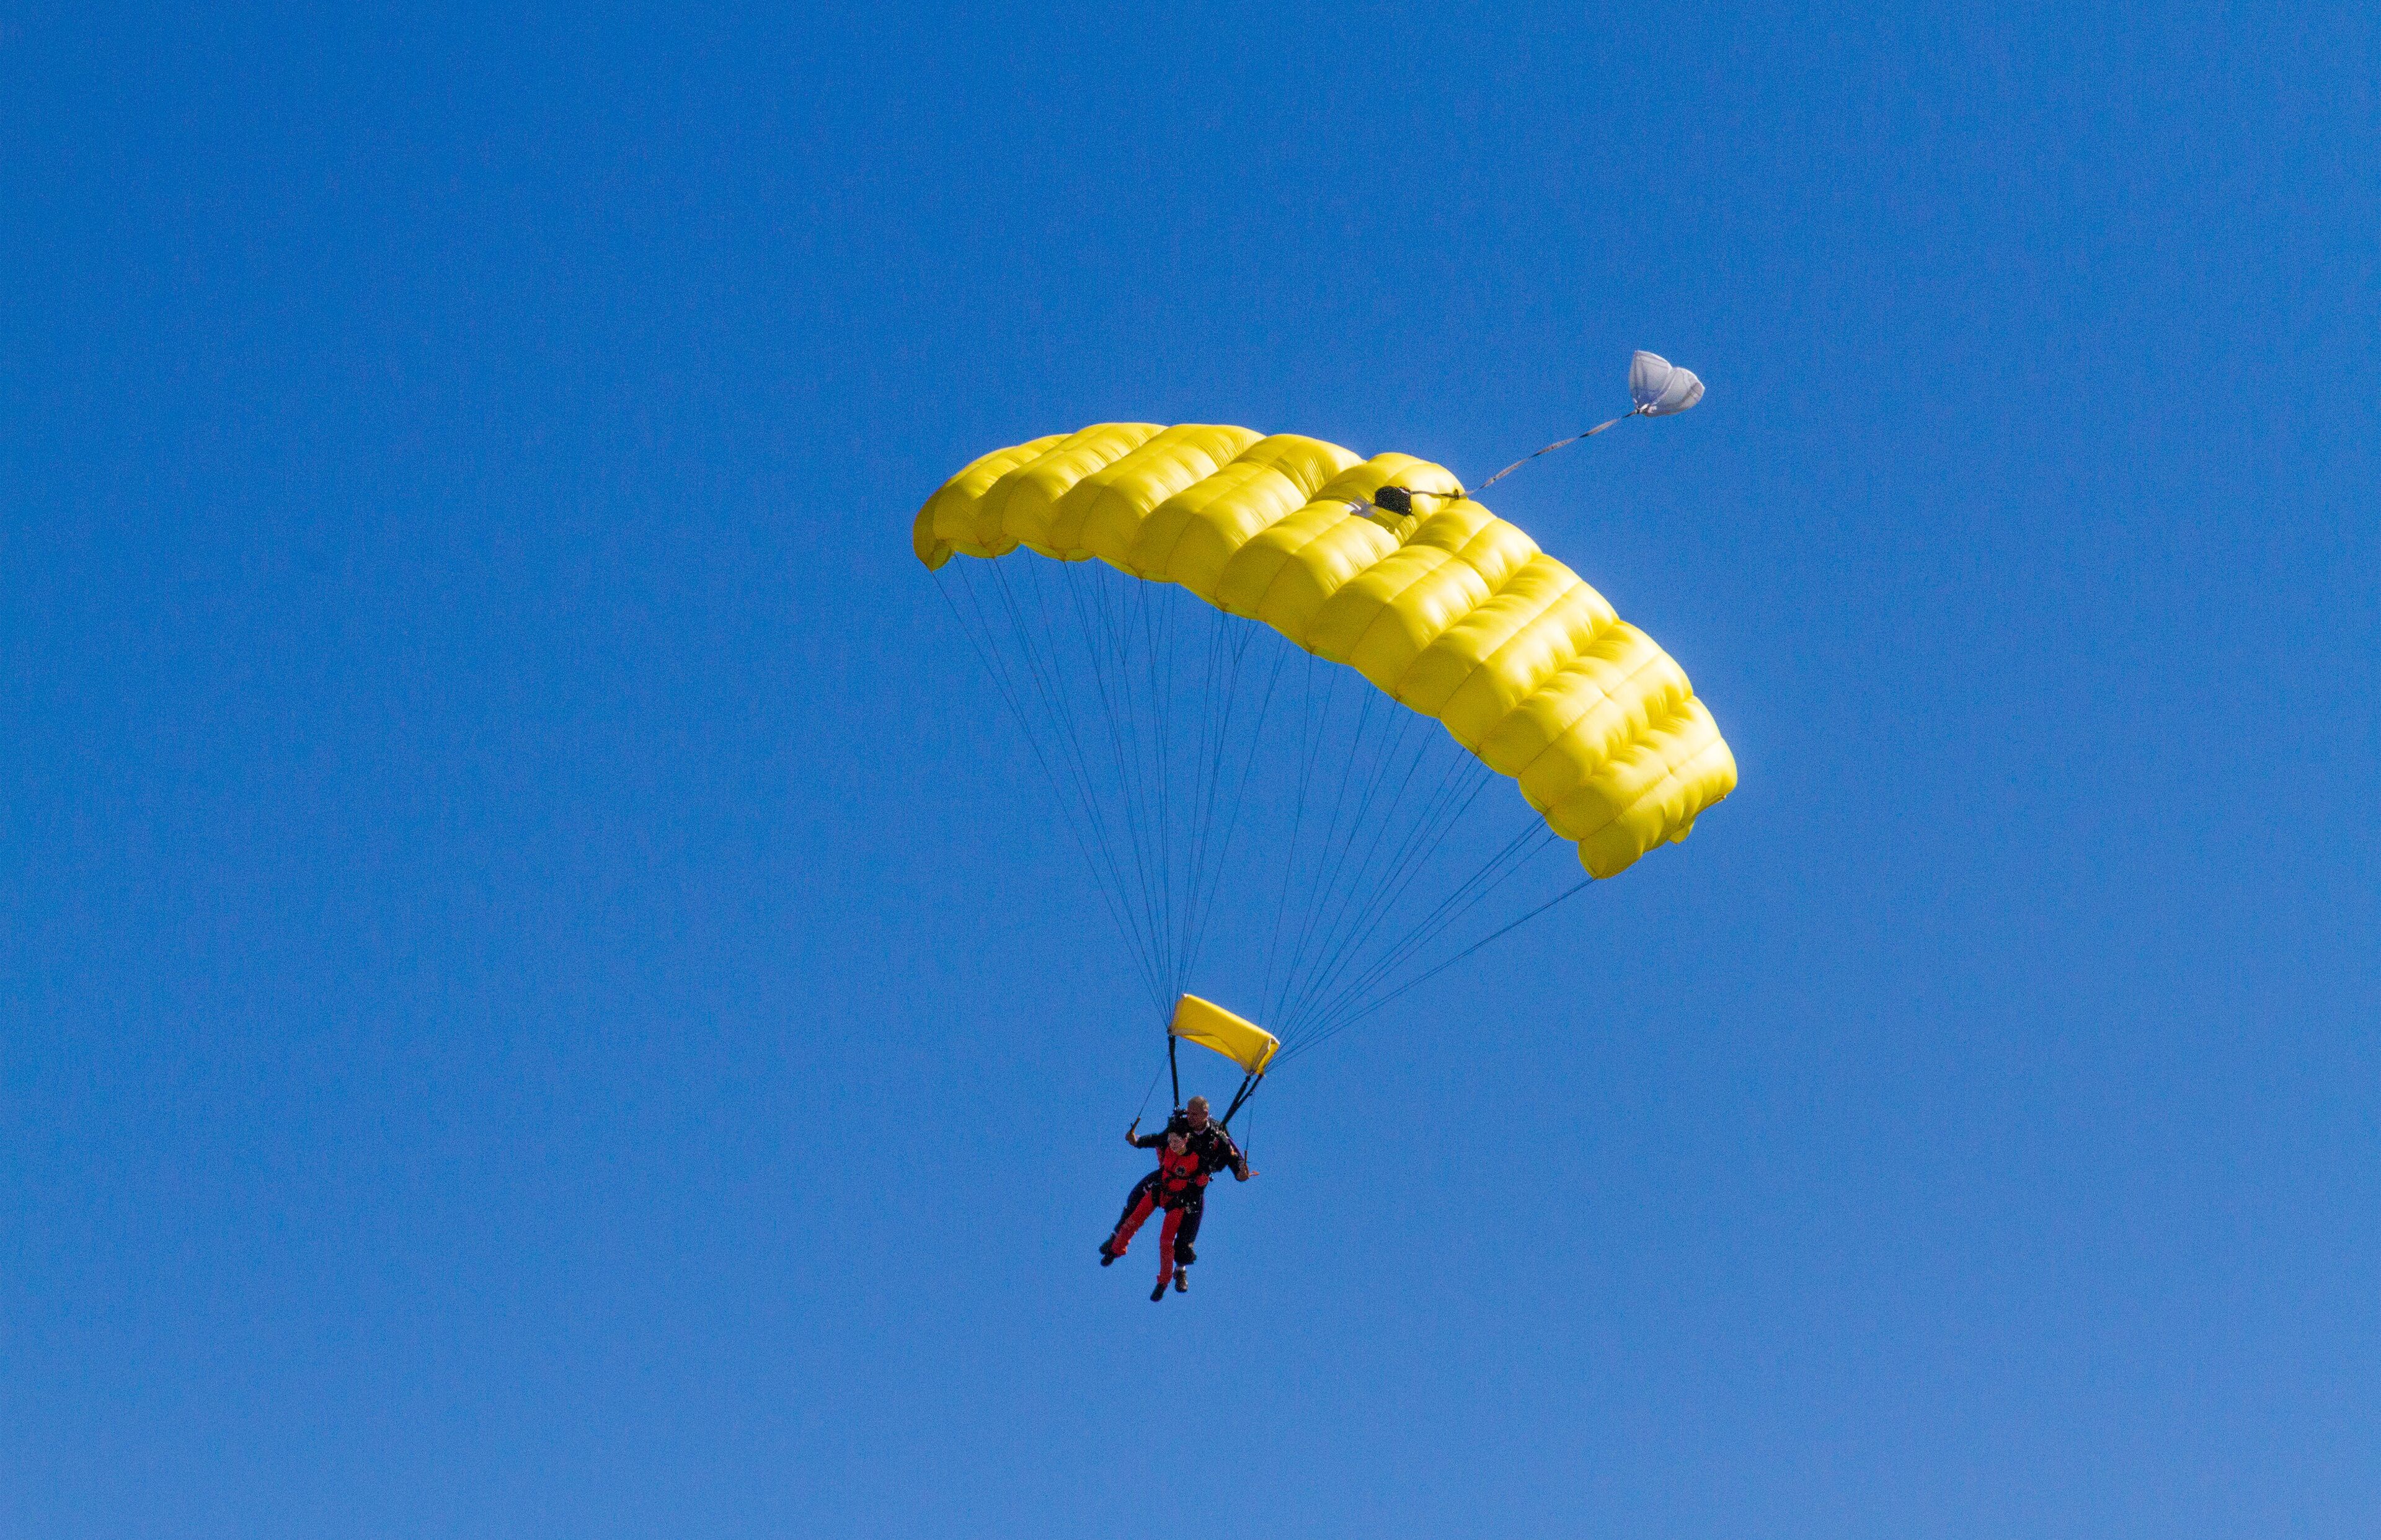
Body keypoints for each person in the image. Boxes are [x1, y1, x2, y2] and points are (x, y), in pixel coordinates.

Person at [1098, 1094, 1255, 1298]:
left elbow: (1236, 1160)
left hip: (1191, 1189)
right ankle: (1116, 1239)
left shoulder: (1218, 1136)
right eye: (1189, 1113)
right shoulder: (1181, 1125)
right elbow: (1160, 1139)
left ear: (1206, 1114)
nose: (1190, 1118)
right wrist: (1137, 1142)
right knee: (1136, 1199)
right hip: (1167, 1178)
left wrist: (1242, 1173)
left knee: (1186, 1230)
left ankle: (1180, 1270)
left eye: (1195, 1115)